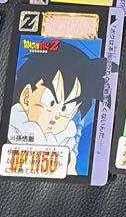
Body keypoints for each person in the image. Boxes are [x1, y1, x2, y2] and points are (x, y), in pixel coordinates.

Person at [8, 41, 109, 170]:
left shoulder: (68, 147)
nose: (57, 115)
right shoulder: (11, 130)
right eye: (51, 103)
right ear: (26, 97)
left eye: (65, 109)